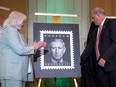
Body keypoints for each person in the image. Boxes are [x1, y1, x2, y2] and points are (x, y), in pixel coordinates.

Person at [0, 11, 47, 87]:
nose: (23, 24)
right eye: (22, 22)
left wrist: (33, 47)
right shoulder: (11, 31)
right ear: (16, 21)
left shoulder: (14, 32)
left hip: (15, 73)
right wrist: (35, 46)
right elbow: (20, 50)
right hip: (13, 73)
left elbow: (19, 49)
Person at [81, 7, 116, 87]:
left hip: (112, 67)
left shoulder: (112, 24)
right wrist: (78, 60)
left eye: (93, 18)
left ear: (99, 15)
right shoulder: (96, 30)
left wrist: (104, 58)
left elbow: (115, 43)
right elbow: (89, 48)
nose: (92, 20)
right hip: (100, 68)